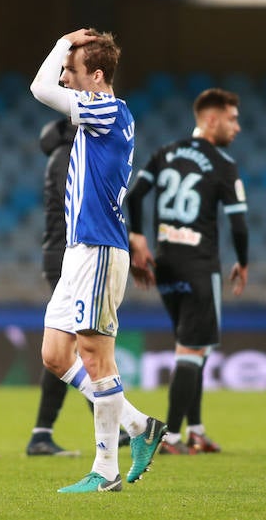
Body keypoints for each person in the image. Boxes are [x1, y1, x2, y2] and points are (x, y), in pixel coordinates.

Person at [30, 27, 166, 493]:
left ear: (98, 76)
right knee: (54, 354)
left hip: (100, 248)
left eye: (72, 70)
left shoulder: (107, 109)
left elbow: (38, 89)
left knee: (94, 355)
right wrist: (68, 52)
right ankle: (138, 425)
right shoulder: (99, 115)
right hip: (79, 251)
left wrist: (61, 42)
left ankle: (105, 470)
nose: (65, 78)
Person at [126, 88, 249, 455]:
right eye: (231, 119)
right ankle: (171, 437)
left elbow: (133, 196)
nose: (237, 127)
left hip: (165, 265)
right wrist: (243, 260)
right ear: (210, 120)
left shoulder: (163, 154)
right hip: (199, 265)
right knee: (193, 350)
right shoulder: (224, 164)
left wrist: (137, 239)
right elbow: (239, 224)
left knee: (194, 346)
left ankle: (196, 430)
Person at [25, 118, 131, 457]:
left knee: (65, 349)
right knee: (82, 344)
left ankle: (43, 433)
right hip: (70, 256)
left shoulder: (63, 154)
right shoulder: (69, 156)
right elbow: (81, 205)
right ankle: (121, 421)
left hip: (62, 253)